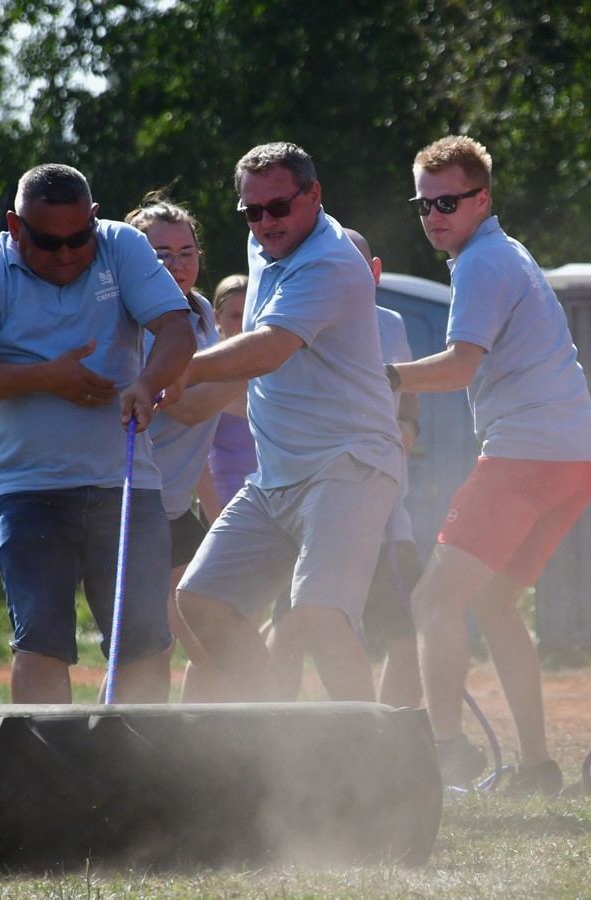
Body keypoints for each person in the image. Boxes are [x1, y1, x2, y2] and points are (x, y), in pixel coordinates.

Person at [386, 136, 591, 793]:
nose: (433, 216)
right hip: (578, 456)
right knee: (495, 603)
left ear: (482, 199)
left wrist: (383, 377)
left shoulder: (481, 261)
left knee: (432, 601)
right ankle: (537, 767)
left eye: (447, 202)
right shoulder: (505, 251)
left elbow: (459, 368)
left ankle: (447, 752)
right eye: (423, 204)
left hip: (528, 454)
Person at [0, 163, 195, 705]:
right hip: (28, 488)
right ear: (15, 226)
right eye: (48, 242)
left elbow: (176, 330)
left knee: (145, 645)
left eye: (79, 238)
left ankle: (134, 760)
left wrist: (146, 383)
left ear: (95, 219)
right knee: (42, 643)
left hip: (126, 485)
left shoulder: (121, 246)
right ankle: (44, 762)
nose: (66, 254)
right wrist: (46, 377)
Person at [174, 141, 404, 703]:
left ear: (315, 195)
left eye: (278, 206)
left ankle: (372, 755)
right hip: (276, 476)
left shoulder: (329, 260)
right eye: (251, 211)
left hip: (348, 466)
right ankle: (274, 735)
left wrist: (177, 369)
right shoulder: (265, 245)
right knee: (201, 600)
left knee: (321, 614)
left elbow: (270, 348)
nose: (265, 222)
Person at [267, 228, 425, 706]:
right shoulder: (299, 319)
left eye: (352, 266)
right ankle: (269, 732)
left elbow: (409, 387)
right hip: (315, 505)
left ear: (374, 272)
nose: (339, 276)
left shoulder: (391, 323)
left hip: (386, 514)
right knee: (291, 625)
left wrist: (409, 425)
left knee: (404, 636)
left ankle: (394, 736)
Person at [124, 192, 245, 702]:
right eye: (162, 255)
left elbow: (228, 403)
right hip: (135, 504)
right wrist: (266, 365)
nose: (177, 264)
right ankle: (120, 744)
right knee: (150, 652)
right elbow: (190, 406)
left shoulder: (200, 312)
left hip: (175, 509)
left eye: (186, 252)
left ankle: (200, 743)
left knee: (212, 643)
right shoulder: (139, 323)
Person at [198, 274, 254, 523]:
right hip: (225, 505)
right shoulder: (207, 372)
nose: (244, 324)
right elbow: (197, 460)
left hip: (277, 503)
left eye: (250, 313)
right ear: (216, 318)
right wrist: (215, 517)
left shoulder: (278, 365)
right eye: (235, 316)